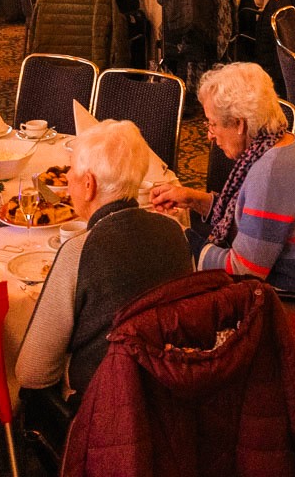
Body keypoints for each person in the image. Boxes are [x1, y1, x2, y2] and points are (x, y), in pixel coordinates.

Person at [149, 63, 295, 339]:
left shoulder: (271, 173)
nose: (209, 135)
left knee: (163, 309)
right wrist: (191, 198)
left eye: (212, 124)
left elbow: (242, 272)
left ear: (239, 124)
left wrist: (179, 238)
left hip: (291, 307)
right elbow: (248, 218)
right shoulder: (290, 144)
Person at [18, 120, 193, 397]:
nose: (68, 179)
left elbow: (33, 372)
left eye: (71, 172)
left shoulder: (78, 251)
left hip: (105, 405)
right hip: (171, 392)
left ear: (89, 185)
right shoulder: (176, 231)